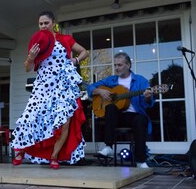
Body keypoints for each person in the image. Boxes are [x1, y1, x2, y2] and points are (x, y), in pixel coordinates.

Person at [10, 11, 89, 169]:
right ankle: (21, 150)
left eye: (46, 23)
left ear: (53, 23)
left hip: (62, 85)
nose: (43, 26)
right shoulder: (38, 42)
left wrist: (75, 60)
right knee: (31, 117)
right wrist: (31, 57)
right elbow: (28, 68)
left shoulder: (65, 39)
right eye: (41, 23)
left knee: (64, 121)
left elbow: (84, 52)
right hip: (44, 85)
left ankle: (54, 156)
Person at [87, 52, 155, 168]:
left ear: (128, 65)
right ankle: (108, 147)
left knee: (141, 120)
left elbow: (148, 105)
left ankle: (140, 161)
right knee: (111, 107)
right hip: (116, 117)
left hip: (134, 116)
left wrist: (148, 98)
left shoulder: (140, 81)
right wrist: (100, 91)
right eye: (115, 65)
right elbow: (90, 87)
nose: (116, 68)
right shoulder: (111, 80)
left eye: (120, 65)